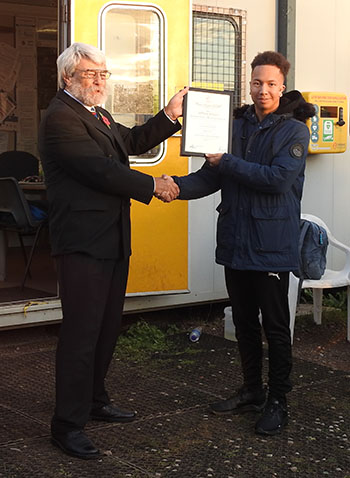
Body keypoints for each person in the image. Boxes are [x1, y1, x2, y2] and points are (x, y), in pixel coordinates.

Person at [38, 42, 187, 459]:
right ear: (69, 77)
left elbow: (132, 141)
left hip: (112, 239)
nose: (100, 81)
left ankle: (95, 400)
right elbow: (100, 170)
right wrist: (152, 185)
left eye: (104, 73)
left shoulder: (97, 114)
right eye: (90, 74)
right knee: (81, 334)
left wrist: (170, 114)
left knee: (105, 329)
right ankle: (66, 425)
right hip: (83, 243)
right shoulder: (60, 118)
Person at [173, 51, 315, 435]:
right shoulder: (234, 124)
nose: (262, 90)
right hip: (236, 240)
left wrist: (227, 162)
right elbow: (210, 176)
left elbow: (278, 180)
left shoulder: (296, 130)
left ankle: (278, 399)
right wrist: (173, 187)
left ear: (282, 87)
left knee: (276, 326)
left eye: (270, 84)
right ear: (249, 84)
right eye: (256, 83)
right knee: (244, 324)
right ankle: (252, 390)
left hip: (270, 244)